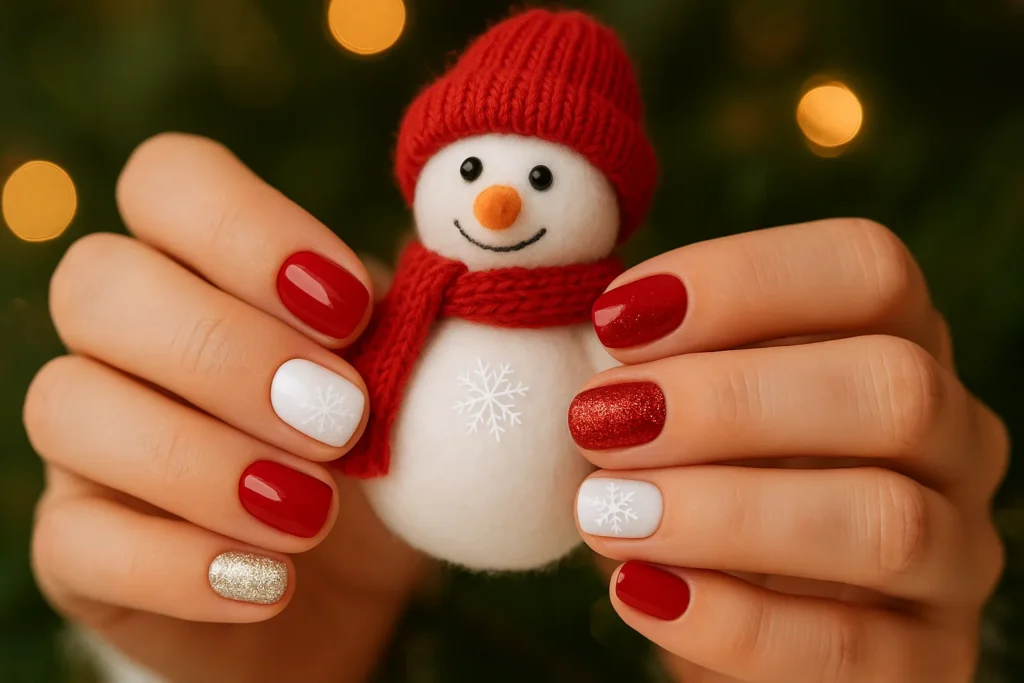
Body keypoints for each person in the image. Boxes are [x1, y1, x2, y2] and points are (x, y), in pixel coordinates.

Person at [22, 128, 1006, 682]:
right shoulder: (409, 314)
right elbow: (385, 358)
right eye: (479, 174)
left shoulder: (604, 336)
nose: (497, 206)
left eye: (536, 179)